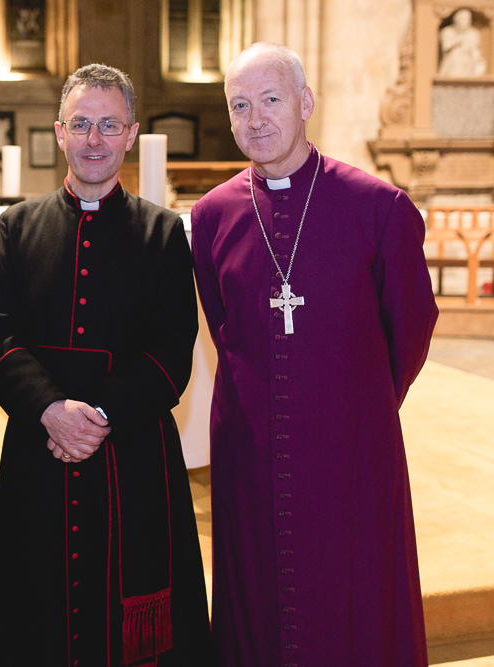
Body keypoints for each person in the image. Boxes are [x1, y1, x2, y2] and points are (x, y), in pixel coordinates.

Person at [191, 42, 437, 667]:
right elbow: (226, 329)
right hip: (250, 448)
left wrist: (353, 400)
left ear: (305, 103)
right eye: (239, 106)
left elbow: (409, 328)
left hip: (353, 445)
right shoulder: (212, 216)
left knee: (351, 590)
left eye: (271, 100)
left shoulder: (379, 207)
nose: (256, 119)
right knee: (259, 593)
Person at [0, 63, 213, 665]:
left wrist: (99, 415)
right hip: (39, 448)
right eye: (81, 124)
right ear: (59, 132)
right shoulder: (17, 227)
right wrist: (50, 410)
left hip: (131, 453)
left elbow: (171, 348)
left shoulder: (163, 234)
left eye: (108, 126)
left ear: (131, 135)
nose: (93, 139)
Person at [439, 8, 486, 77]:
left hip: (468, 63)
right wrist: (459, 39)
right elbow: (446, 46)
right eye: (463, 19)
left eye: (467, 19)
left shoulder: (474, 33)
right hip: (453, 63)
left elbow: (476, 49)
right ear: (456, 20)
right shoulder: (447, 31)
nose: (466, 22)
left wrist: (477, 61)